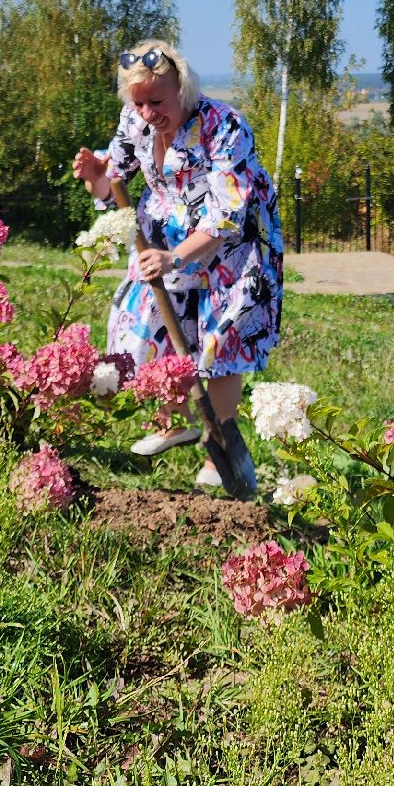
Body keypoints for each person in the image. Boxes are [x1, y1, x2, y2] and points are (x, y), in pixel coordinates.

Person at [73, 40, 285, 488]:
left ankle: (217, 449)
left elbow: (227, 213)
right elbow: (112, 185)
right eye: (139, 102)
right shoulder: (135, 120)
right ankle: (174, 421)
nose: (147, 112)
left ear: (182, 89)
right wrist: (95, 177)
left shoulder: (224, 125)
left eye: (157, 101)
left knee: (220, 345)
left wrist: (176, 257)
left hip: (226, 247)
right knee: (142, 328)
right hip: (162, 240)